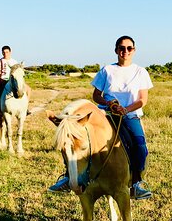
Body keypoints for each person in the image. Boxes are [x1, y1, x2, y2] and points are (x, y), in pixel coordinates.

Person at [49, 35, 154, 200]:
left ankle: (136, 183)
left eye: (129, 48)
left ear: (134, 50)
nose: (124, 51)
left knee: (140, 146)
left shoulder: (140, 72)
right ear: (116, 50)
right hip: (105, 113)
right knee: (76, 142)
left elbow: (142, 100)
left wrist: (125, 110)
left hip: (129, 115)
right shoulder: (107, 70)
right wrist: (109, 102)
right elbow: (96, 95)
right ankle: (68, 177)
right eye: (121, 48)